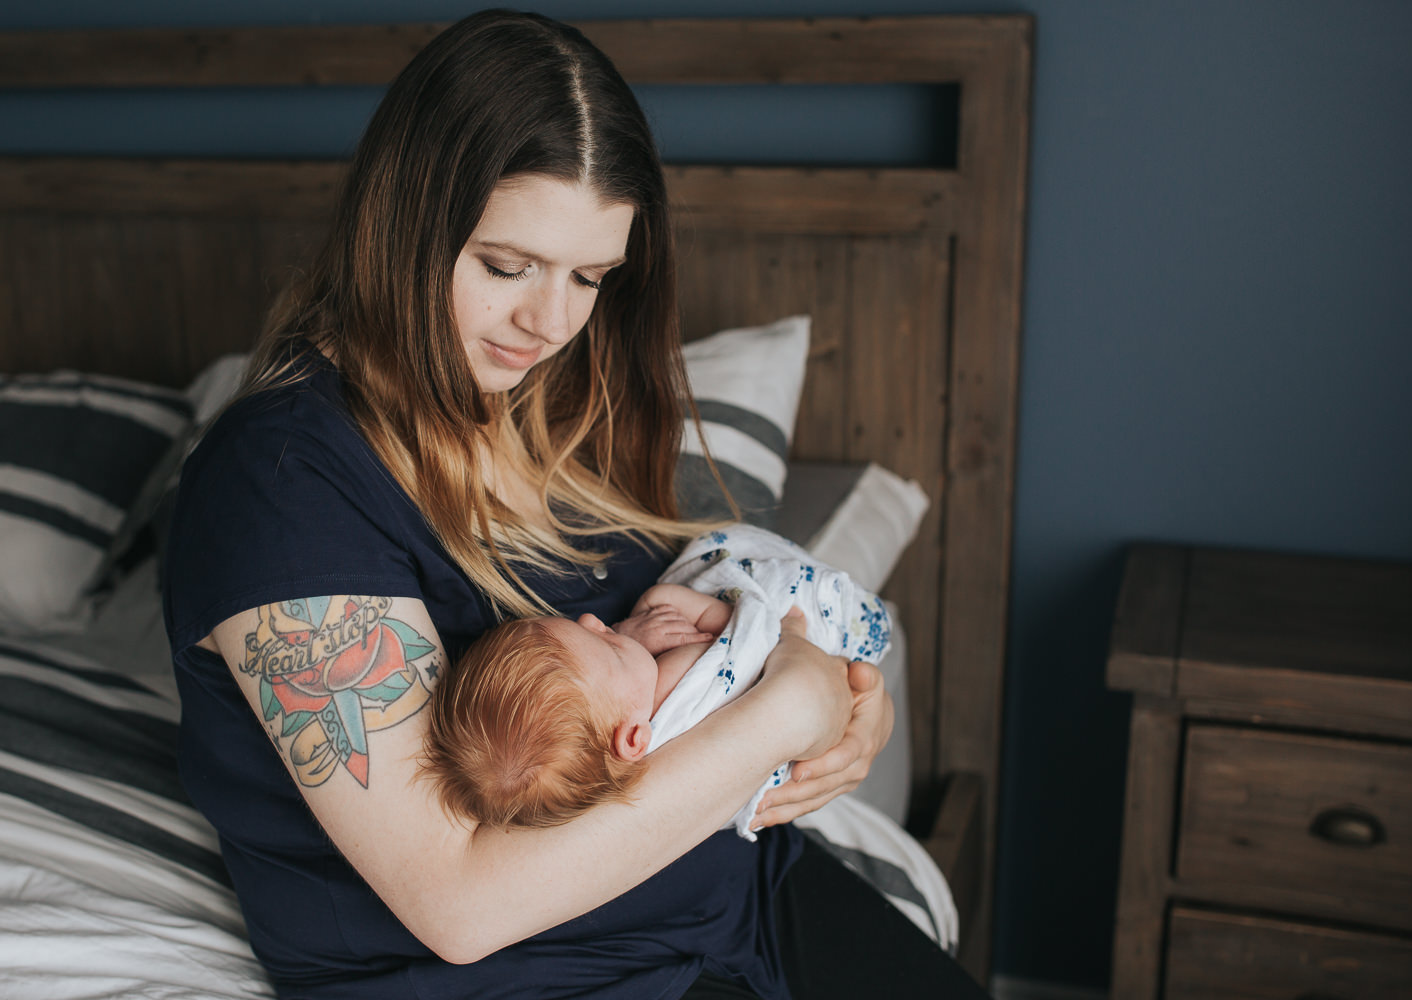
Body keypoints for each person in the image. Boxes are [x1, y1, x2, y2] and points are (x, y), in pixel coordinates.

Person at [163, 9, 988, 999]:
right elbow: (460, 905)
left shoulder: (552, 404)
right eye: (506, 266)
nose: (548, 321)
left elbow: (704, 635)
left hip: (744, 906)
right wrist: (790, 709)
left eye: (591, 275)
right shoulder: (283, 480)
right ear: (402, 226)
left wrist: (855, 709)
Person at [425, 525, 894, 838]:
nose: (593, 620)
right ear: (633, 737)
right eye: (609, 643)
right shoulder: (675, 686)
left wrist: (626, 643)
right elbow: (743, 630)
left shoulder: (619, 725)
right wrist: (660, 600)